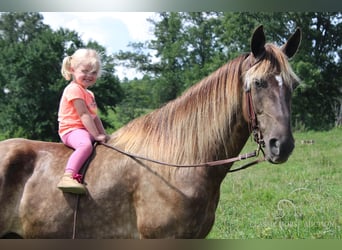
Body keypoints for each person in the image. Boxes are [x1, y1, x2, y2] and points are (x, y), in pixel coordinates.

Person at [57, 48, 110, 194]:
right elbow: (83, 115)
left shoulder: (89, 93)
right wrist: (96, 135)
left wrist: (104, 135)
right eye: (85, 71)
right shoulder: (73, 89)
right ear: (72, 69)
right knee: (85, 145)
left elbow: (94, 117)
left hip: (85, 130)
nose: (89, 75)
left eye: (93, 72)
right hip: (71, 130)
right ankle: (68, 175)